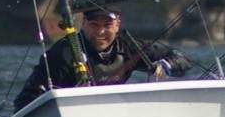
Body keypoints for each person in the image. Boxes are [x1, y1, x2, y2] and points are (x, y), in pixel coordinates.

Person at [13, 6, 193, 111]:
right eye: (93, 25)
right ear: (83, 25)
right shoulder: (64, 53)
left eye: (107, 25)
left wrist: (166, 65)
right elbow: (25, 102)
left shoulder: (130, 47)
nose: (100, 32)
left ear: (117, 25)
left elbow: (182, 58)